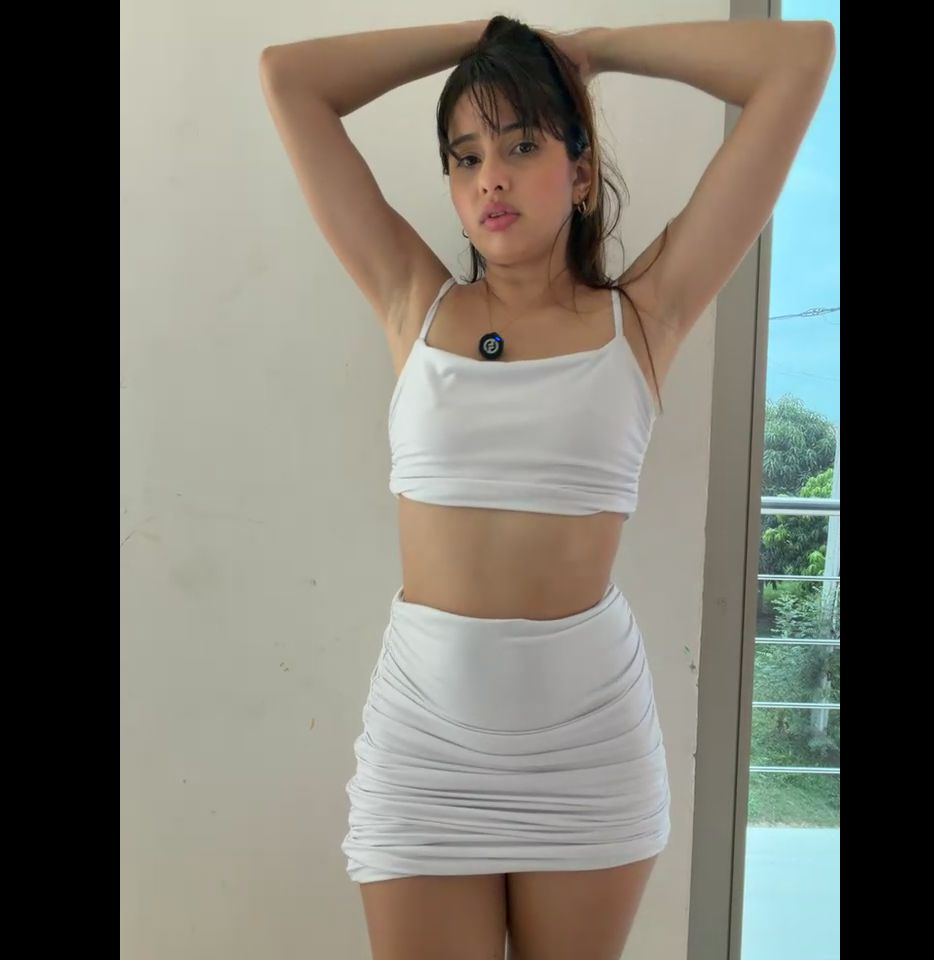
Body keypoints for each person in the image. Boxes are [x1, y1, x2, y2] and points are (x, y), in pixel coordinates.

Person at [259, 15, 834, 960]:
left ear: (580, 173)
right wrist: (485, 35)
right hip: (423, 750)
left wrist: (596, 47)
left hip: (587, 755)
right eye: (466, 156)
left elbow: (799, 58)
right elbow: (289, 78)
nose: (490, 177)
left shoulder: (643, 317)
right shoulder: (414, 302)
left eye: (522, 145)